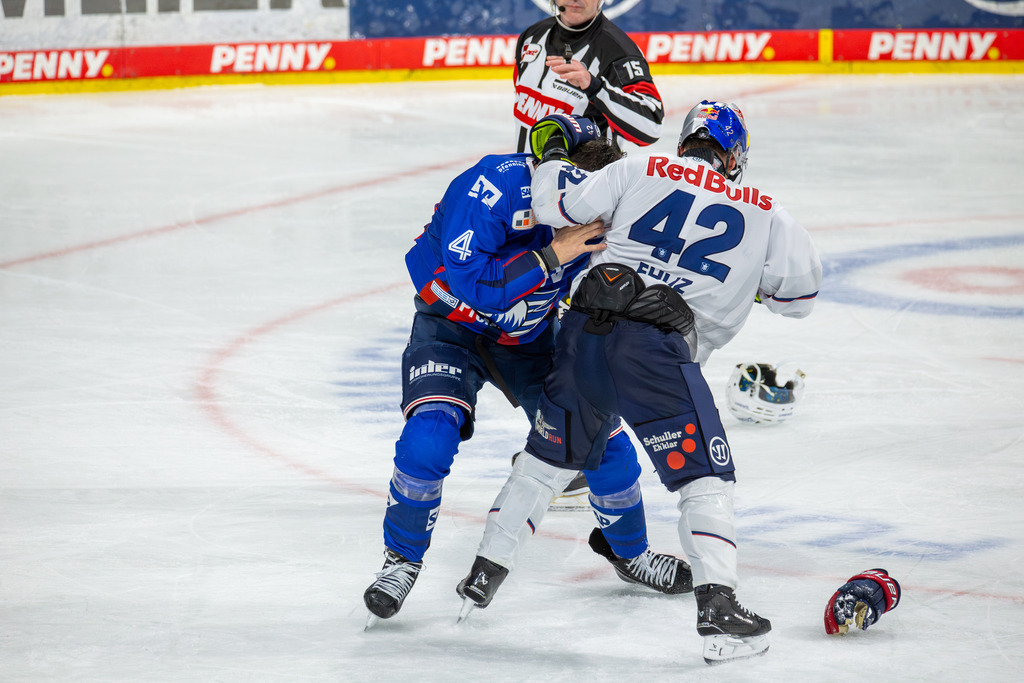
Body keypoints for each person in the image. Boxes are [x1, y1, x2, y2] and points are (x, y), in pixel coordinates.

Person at [456, 105, 823, 665]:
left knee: (545, 461)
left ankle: (484, 576)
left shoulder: (642, 168)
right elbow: (800, 297)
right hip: (656, 351)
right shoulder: (768, 212)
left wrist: (555, 154)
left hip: (581, 337)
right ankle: (719, 608)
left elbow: (556, 201)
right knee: (706, 479)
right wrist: (746, 283)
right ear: (734, 155)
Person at [362, 138, 693, 629]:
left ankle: (630, 553)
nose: (591, 218)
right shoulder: (492, 187)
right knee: (428, 439)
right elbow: (478, 287)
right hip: (452, 326)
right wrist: (553, 255)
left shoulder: (608, 219)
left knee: (604, 441)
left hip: (530, 340)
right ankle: (401, 560)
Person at [513, 0, 663, 154]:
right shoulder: (531, 36)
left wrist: (595, 88)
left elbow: (652, 128)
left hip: (587, 178)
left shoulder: (619, 52)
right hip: (523, 175)